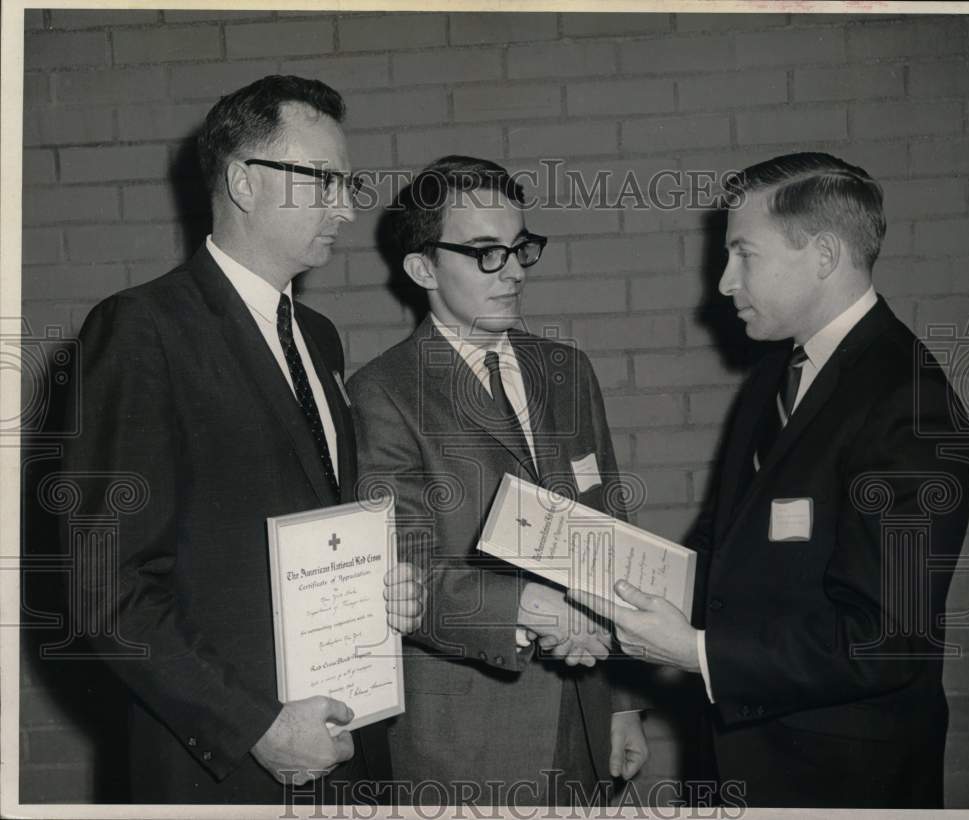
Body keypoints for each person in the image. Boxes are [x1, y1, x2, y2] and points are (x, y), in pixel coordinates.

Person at [570, 152, 969, 808]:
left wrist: (698, 651)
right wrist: (606, 601)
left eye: (744, 254)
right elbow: (729, 548)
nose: (725, 282)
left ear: (822, 254)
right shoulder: (774, 376)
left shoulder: (911, 400)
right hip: (744, 763)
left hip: (842, 782)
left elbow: (886, 637)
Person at [61, 75, 423, 804]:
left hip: (348, 755)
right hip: (226, 774)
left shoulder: (318, 338)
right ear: (243, 181)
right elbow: (107, 588)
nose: (345, 209)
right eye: (322, 181)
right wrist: (256, 726)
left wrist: (382, 593)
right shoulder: (141, 330)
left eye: (345, 185)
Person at [347, 156, 648, 806]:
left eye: (519, 248)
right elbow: (408, 576)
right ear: (422, 268)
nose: (513, 271)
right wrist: (537, 612)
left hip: (588, 719)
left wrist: (623, 702)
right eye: (486, 253)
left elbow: (612, 535)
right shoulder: (383, 394)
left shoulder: (568, 371)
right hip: (468, 743)